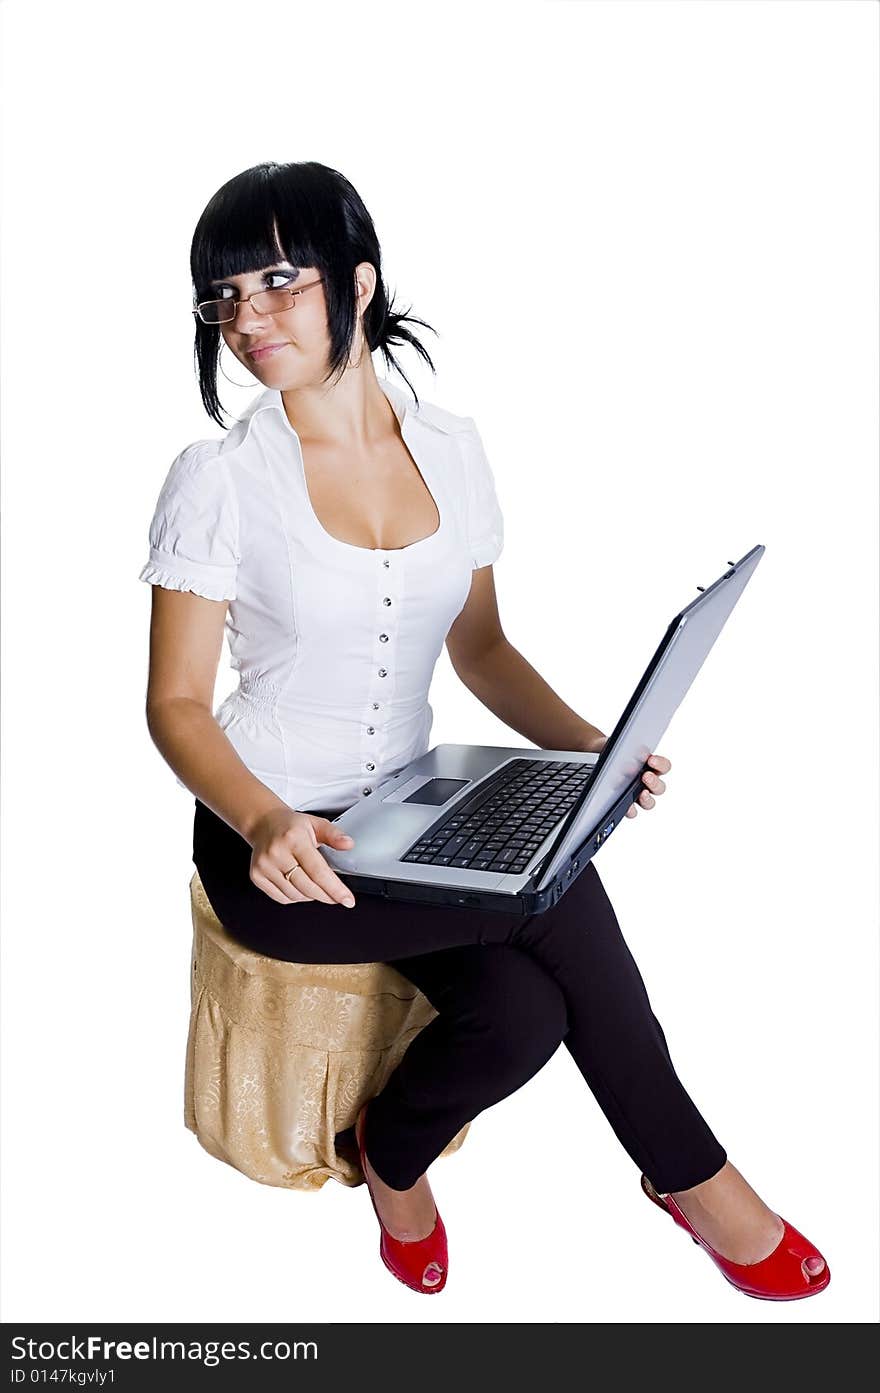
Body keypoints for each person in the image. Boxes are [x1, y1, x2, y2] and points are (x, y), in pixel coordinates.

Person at [139, 159, 829, 1300]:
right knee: (557, 910)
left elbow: (483, 648)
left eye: (275, 280)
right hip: (279, 836)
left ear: (357, 279)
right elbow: (172, 704)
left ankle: (390, 1157)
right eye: (221, 297)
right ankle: (692, 1177)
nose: (244, 318)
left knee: (521, 1012)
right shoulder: (217, 480)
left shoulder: (450, 448)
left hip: (415, 803)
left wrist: (591, 750)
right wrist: (261, 819)